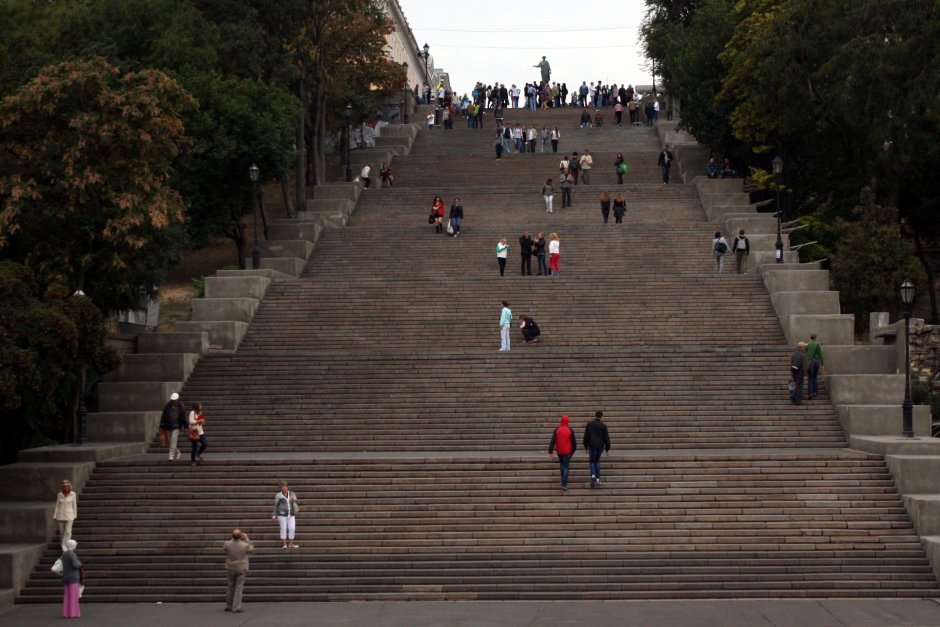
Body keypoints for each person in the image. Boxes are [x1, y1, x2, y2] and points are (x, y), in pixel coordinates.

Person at [224, 529, 253, 613]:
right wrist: (247, 539)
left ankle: (229, 605)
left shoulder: (227, 544)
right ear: (241, 536)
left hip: (231, 567)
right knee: (238, 588)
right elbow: (251, 549)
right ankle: (236, 607)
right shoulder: (244, 545)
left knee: (230, 586)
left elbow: (225, 549)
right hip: (241, 567)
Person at [548, 415, 577, 491]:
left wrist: (550, 452)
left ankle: (562, 479)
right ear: (568, 421)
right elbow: (574, 442)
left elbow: (552, 441)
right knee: (566, 466)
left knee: (562, 464)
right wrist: (572, 451)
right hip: (567, 451)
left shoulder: (557, 430)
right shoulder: (570, 430)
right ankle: (564, 483)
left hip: (559, 451)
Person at [583, 411, 611, 488]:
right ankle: (598, 478)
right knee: (597, 460)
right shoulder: (603, 425)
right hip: (600, 445)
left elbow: (586, 436)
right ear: (601, 416)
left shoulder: (589, 424)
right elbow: (606, 438)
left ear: (595, 415)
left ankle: (593, 475)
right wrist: (607, 448)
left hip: (592, 445)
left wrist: (585, 446)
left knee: (592, 461)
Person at [271, 481, 300, 549]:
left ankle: (291, 544)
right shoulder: (278, 495)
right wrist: (274, 515)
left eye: (284, 486)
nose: (283, 488)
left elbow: (297, 502)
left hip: (291, 514)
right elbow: (276, 505)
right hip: (281, 514)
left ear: (287, 487)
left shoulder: (292, 493)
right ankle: (284, 544)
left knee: (292, 528)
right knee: (283, 528)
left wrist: (294, 500)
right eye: (281, 487)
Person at [160, 392, 187, 461]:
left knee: (173, 440)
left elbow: (183, 417)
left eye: (175, 400)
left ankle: (171, 456)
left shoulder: (181, 407)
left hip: (176, 426)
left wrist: (186, 426)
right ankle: (177, 452)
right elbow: (163, 416)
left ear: (177, 399)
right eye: (173, 400)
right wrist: (161, 424)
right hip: (168, 426)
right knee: (171, 441)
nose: (174, 401)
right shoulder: (167, 406)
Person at [54, 480, 78, 552]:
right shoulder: (59, 494)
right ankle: (63, 546)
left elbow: (74, 505)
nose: (66, 488)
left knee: (68, 531)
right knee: (62, 532)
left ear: (69, 487)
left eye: (67, 486)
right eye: (64, 487)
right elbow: (57, 505)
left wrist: (75, 514)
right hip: (60, 515)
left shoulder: (73, 494)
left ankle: (65, 548)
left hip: (70, 515)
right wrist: (55, 515)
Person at [60, 539, 82, 618]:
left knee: (67, 596)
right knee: (74, 596)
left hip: (66, 577)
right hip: (73, 578)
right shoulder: (72, 554)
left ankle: (66, 613)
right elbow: (76, 565)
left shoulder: (64, 554)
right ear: (73, 546)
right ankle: (73, 613)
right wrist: (80, 563)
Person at [806, 334, 825, 400]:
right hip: (816, 362)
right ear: (815, 338)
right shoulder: (817, 345)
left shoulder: (807, 345)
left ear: (810, 338)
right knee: (814, 377)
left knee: (810, 378)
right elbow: (820, 355)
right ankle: (815, 392)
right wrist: (822, 364)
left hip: (810, 362)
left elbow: (805, 353)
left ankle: (810, 393)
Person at [188, 401, 207, 467]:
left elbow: (202, 421)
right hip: (194, 432)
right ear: (196, 406)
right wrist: (199, 421)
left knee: (205, 443)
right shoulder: (192, 413)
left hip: (200, 432)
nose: (201, 407)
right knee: (194, 447)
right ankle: (193, 461)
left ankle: (198, 454)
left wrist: (202, 421)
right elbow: (191, 421)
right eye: (200, 405)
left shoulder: (199, 413)